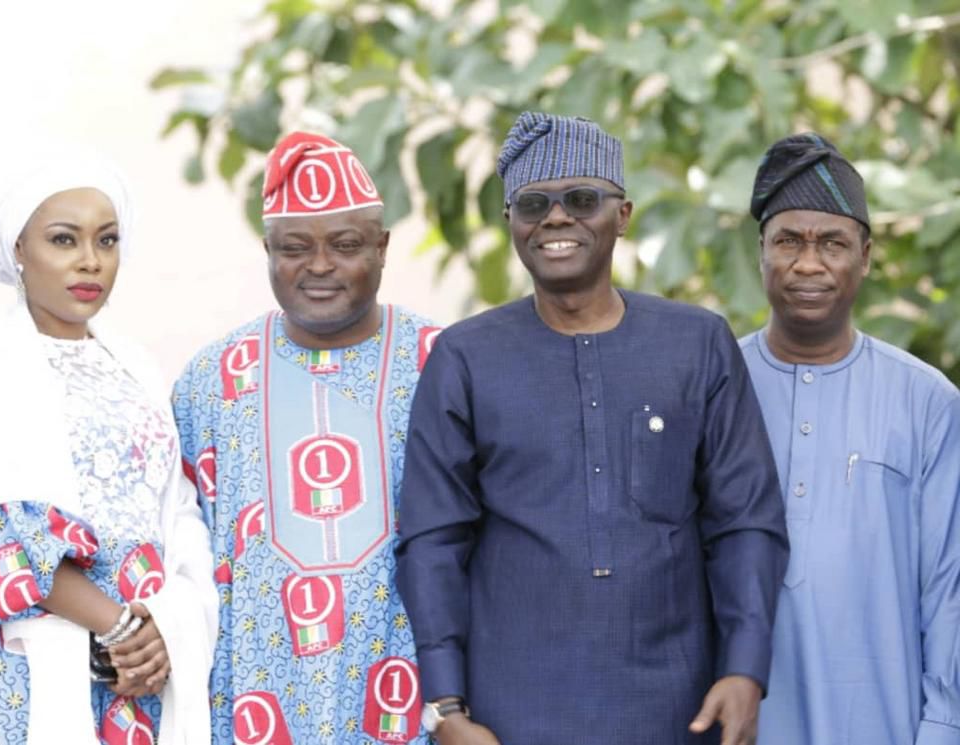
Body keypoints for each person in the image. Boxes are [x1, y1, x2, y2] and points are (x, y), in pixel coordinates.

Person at [395, 111, 789, 745]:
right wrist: (446, 706)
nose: (556, 218)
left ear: (623, 215)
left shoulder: (696, 344)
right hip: (510, 716)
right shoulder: (466, 357)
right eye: (533, 203)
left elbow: (745, 523)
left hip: (676, 709)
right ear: (510, 224)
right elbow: (432, 541)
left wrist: (745, 669)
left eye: (582, 199)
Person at [0, 153, 218, 744]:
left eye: (107, 240)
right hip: (24, 672)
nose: (90, 260)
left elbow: (179, 512)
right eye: (64, 239)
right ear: (18, 248)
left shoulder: (134, 367)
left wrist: (163, 627)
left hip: (134, 676)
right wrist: (112, 625)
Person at [172, 132, 439, 744]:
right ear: (267, 249)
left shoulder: (443, 363)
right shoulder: (211, 380)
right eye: (295, 248)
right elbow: (176, 545)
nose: (319, 266)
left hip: (411, 709)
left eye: (345, 245)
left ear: (383, 246)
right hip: (248, 711)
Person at [740, 133, 960, 744]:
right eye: (788, 241)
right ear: (761, 252)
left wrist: (944, 728)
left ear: (865, 257)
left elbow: (950, 589)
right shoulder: (715, 387)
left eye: (831, 243)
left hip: (884, 725)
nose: (808, 264)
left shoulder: (928, 401)